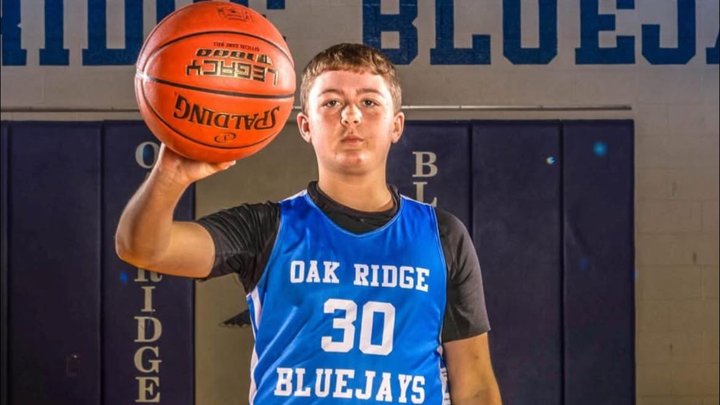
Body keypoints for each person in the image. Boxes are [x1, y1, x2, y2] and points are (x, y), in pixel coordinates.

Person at [116, 43, 502, 405]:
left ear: (396, 126)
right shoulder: (268, 228)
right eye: (332, 102)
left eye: (369, 102)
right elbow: (141, 248)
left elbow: (476, 388)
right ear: (305, 126)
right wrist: (170, 174)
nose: (351, 115)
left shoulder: (441, 236)